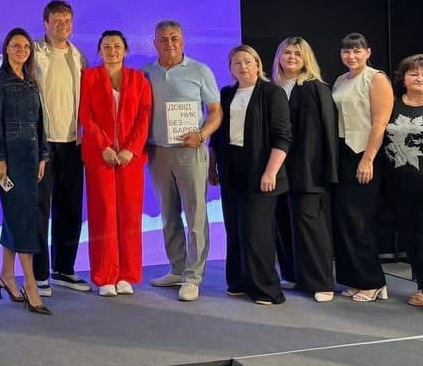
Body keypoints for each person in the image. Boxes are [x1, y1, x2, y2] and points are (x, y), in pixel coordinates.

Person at [143, 20, 222, 303]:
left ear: (183, 41)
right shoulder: (146, 73)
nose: (169, 43)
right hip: (158, 152)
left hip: (190, 152)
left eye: (174, 38)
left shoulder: (200, 70)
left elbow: (215, 112)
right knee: (168, 214)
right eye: (163, 39)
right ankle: (177, 269)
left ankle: (193, 277)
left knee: (195, 215)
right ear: (154, 42)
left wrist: (202, 134)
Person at [209, 45, 292, 305]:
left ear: (257, 64)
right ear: (230, 68)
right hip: (231, 170)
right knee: (235, 229)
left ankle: (266, 290)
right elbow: (216, 136)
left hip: (261, 170)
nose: (242, 66)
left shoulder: (272, 93)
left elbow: (283, 137)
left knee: (257, 233)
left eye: (247, 61)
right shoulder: (226, 93)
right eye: (236, 63)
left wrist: (271, 171)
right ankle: (239, 282)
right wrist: (212, 167)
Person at [79, 30, 152, 297]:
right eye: (107, 46)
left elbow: (144, 116)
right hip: (100, 156)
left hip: (130, 158)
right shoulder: (88, 77)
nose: (112, 50)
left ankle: (126, 274)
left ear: (125, 50)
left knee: (130, 215)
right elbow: (85, 114)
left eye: (117, 46)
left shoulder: (139, 79)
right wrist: (104, 146)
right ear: (99, 51)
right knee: (104, 213)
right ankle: (105, 275)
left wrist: (131, 149)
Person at [0, 28, 52, 315]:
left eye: (26, 46)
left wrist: (43, 156)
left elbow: (40, 122)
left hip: (32, 157)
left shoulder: (31, 81)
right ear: (6, 49)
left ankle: (6, 274)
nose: (22, 50)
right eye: (16, 46)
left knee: (16, 217)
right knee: (23, 219)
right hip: (10, 161)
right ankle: (30, 284)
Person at [271, 37, 338, 302]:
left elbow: (327, 133)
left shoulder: (316, 88)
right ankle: (293, 274)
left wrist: (326, 171)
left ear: (306, 59)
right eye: (287, 52)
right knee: (283, 221)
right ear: (279, 57)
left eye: (297, 53)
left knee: (309, 225)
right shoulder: (272, 88)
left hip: (308, 170)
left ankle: (321, 282)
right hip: (277, 168)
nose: (291, 57)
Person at [31, 0, 90, 296]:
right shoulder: (32, 53)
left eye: (67, 21)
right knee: (40, 209)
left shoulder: (79, 57)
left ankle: (64, 268)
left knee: (70, 207)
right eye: (56, 21)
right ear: (45, 24)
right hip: (42, 142)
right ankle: (39, 274)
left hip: (72, 142)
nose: (63, 26)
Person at [330, 33, 393, 303]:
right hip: (342, 154)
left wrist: (368, 159)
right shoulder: (340, 80)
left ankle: (373, 282)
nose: (351, 56)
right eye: (346, 51)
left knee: (360, 220)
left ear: (368, 52)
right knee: (344, 219)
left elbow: (380, 123)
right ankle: (355, 279)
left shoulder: (376, 78)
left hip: (365, 154)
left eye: (357, 51)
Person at [384, 54, 423, 317]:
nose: (420, 78)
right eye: (414, 73)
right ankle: (421, 288)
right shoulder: (390, 105)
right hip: (399, 188)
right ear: (403, 78)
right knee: (412, 240)